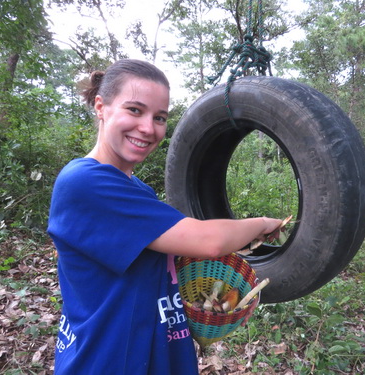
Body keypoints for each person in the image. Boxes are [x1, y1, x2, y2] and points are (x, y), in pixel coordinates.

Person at [47, 59, 283, 375]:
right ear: (101, 107)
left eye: (159, 117)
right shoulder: (85, 182)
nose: (148, 127)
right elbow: (208, 241)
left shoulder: (136, 189)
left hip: (156, 352)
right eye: (134, 110)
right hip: (108, 359)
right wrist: (262, 224)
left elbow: (176, 248)